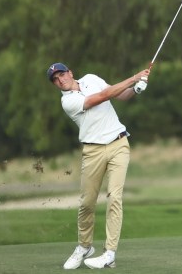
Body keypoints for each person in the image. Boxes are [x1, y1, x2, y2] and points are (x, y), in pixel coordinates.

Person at [47, 62, 149, 270]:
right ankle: (84, 246)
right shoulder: (69, 102)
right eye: (55, 79)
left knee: (114, 197)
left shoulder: (92, 79)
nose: (60, 80)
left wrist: (135, 89)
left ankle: (109, 253)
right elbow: (102, 97)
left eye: (62, 75)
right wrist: (133, 77)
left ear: (70, 73)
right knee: (87, 203)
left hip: (119, 143)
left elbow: (121, 95)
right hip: (92, 151)